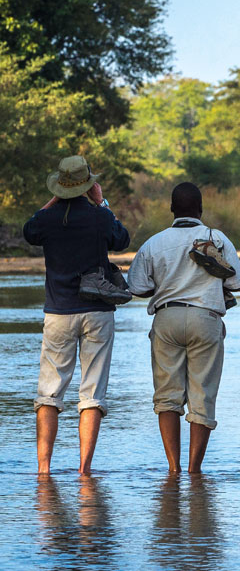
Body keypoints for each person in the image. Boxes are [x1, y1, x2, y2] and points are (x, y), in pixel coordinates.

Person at [126, 182, 240, 473]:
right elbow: (237, 282)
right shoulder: (216, 238)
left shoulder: (154, 242)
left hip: (166, 319)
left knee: (167, 397)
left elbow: (136, 287)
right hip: (206, 318)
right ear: (201, 210)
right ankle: (194, 470)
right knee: (202, 395)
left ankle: (173, 469)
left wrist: (166, 283)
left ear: (172, 209)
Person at [23, 155, 131, 474]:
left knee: (49, 391)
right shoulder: (98, 215)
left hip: (58, 312)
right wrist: (103, 204)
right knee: (92, 392)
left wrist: (53, 200)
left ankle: (44, 470)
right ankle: (84, 469)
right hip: (97, 312)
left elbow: (30, 231)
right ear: (88, 185)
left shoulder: (48, 218)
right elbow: (122, 240)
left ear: (59, 185)